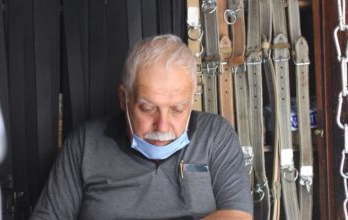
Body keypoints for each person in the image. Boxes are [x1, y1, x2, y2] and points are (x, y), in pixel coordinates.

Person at [30, 34, 253, 220]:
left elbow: (237, 214)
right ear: (123, 98)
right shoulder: (86, 142)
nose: (163, 125)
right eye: (148, 109)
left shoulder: (215, 135)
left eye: (177, 109)